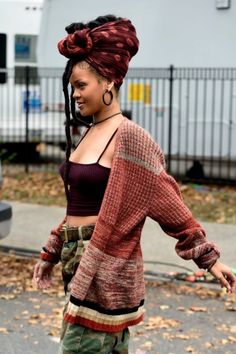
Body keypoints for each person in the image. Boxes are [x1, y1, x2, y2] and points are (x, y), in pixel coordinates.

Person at [33, 14, 236, 354]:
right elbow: (78, 208)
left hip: (105, 275)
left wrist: (209, 259)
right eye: (73, 88)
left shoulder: (131, 139)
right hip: (79, 266)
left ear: (109, 82)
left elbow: (170, 204)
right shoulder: (89, 133)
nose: (76, 95)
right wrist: (51, 252)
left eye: (82, 86)